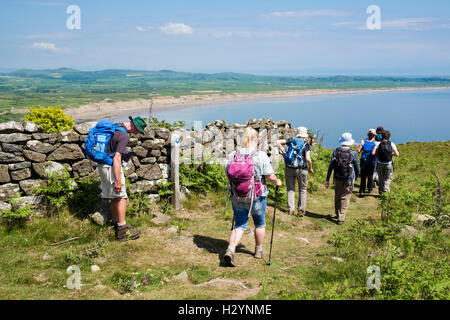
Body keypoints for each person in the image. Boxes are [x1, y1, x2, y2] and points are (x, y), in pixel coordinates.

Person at [224, 127, 282, 267]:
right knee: (260, 224)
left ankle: (231, 249)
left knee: (239, 225)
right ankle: (258, 250)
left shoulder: (233, 155)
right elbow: (270, 176)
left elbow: (227, 173)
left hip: (237, 195)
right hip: (257, 196)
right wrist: (278, 182)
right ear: (255, 139)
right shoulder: (260, 155)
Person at [98, 116, 147, 241]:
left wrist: (125, 155)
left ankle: (116, 223)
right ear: (133, 126)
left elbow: (112, 150)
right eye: (137, 130)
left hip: (103, 165)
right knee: (121, 197)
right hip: (112, 167)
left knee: (114, 197)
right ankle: (122, 232)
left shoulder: (115, 128)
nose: (137, 133)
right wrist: (118, 180)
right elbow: (116, 158)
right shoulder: (124, 135)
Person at [276, 126, 313, 216]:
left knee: (290, 189)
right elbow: (308, 159)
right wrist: (310, 167)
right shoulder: (306, 144)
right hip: (301, 169)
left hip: (289, 167)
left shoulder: (291, 140)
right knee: (303, 189)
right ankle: (301, 210)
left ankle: (291, 210)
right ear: (304, 135)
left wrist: (283, 152)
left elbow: (277, 142)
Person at [324, 132, 359, 225]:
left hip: (337, 177)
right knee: (345, 197)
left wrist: (327, 179)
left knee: (337, 195)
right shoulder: (353, 153)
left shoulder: (335, 152)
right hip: (349, 178)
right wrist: (357, 176)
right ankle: (341, 217)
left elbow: (331, 167)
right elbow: (356, 166)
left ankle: (337, 213)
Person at [371, 130, 399, 194]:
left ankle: (380, 191)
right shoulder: (391, 144)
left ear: (382, 136)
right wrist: (391, 154)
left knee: (381, 177)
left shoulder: (378, 144)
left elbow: (373, 153)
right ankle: (386, 191)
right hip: (388, 163)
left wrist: (378, 155)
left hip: (380, 163)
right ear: (389, 137)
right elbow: (397, 154)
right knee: (387, 178)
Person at [357, 128, 377, 196]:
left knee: (370, 175)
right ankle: (362, 190)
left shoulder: (375, 142)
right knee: (363, 176)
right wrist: (361, 145)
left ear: (374, 135)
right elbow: (359, 150)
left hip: (371, 161)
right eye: (370, 134)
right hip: (364, 161)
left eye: (372, 134)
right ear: (368, 134)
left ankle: (369, 188)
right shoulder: (364, 141)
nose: (371, 135)